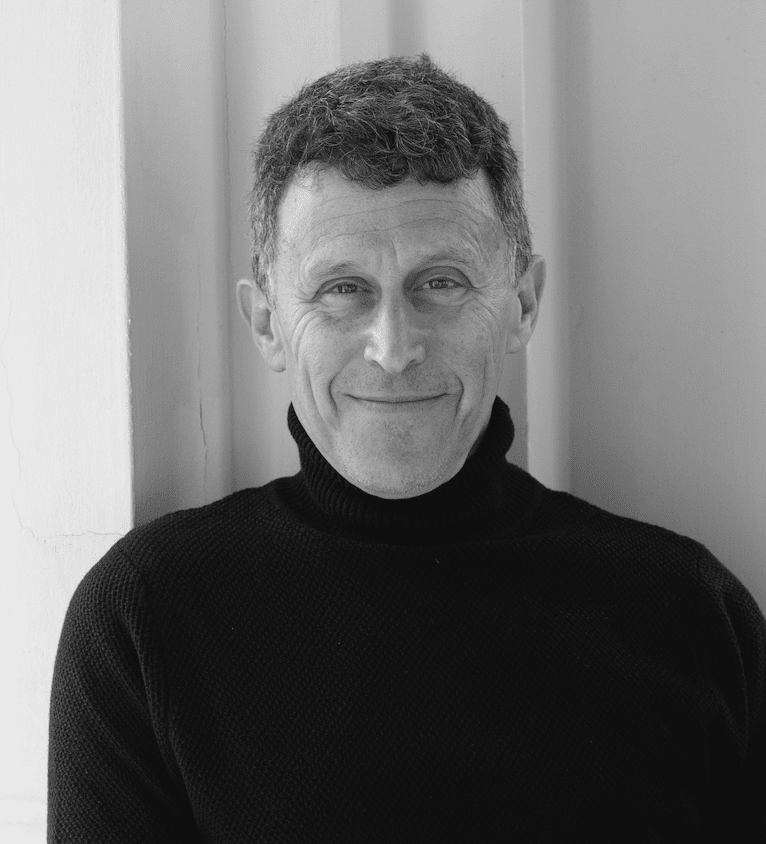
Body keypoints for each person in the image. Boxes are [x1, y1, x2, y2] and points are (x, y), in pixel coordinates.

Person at [48, 54, 765, 842]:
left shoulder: (691, 617)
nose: (393, 349)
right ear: (266, 323)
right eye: (342, 289)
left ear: (523, 305)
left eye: (442, 282)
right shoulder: (147, 619)